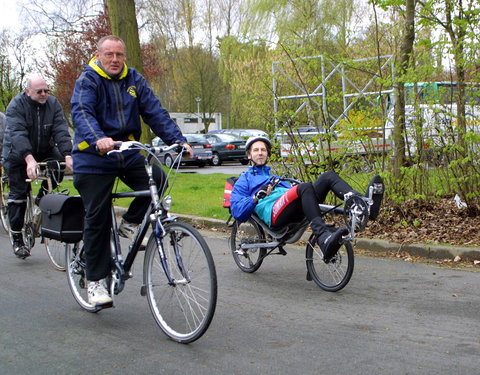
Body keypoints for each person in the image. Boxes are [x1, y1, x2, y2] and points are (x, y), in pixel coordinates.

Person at [71, 35, 193, 308]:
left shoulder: (134, 79)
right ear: (99, 55)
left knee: (158, 179)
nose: (115, 59)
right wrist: (98, 139)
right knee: (98, 215)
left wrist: (178, 140)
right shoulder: (88, 80)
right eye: (109, 54)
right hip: (94, 156)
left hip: (125, 150)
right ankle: (95, 281)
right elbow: (81, 112)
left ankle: (130, 222)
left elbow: (155, 112)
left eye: (120, 55)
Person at [230, 136, 384, 262]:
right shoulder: (245, 179)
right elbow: (237, 210)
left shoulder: (275, 178)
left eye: (263, 150)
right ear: (249, 155)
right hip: (273, 213)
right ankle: (322, 237)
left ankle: (362, 205)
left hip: (292, 208)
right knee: (304, 187)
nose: (260, 153)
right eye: (256, 150)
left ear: (268, 154)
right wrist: (256, 196)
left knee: (327, 176)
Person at [3, 75, 73, 259]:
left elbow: (60, 129)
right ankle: (17, 238)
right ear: (28, 92)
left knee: (58, 164)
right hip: (17, 152)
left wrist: (68, 154)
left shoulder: (53, 104)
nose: (44, 94)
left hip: (43, 148)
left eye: (46, 90)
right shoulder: (16, 106)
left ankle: (41, 199)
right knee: (18, 194)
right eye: (39, 91)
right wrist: (28, 159)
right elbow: (17, 134)